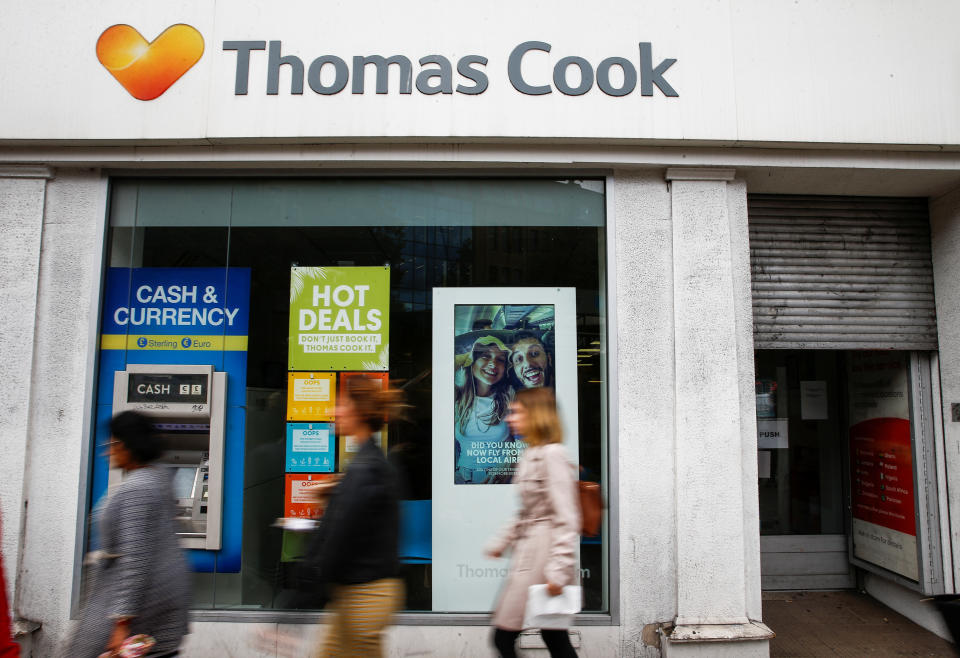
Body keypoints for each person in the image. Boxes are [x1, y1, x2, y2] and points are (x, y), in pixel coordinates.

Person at [69, 411, 190, 658]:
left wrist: (121, 623)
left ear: (128, 446)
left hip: (138, 610)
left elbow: (136, 560)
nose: (107, 451)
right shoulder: (160, 477)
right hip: (162, 603)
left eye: (112, 444)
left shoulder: (138, 488)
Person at [309, 375, 405, 657]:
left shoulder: (365, 468)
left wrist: (304, 594)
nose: (333, 412)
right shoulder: (369, 462)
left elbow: (340, 536)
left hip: (365, 597)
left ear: (357, 411)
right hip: (358, 594)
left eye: (340, 404)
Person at [485, 388, 579, 658]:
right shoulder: (532, 454)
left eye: (516, 412)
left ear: (535, 415)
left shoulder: (552, 455)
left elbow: (567, 518)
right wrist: (500, 542)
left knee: (504, 637)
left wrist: (559, 571)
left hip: (543, 559)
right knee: (554, 638)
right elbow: (526, 512)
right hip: (531, 554)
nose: (508, 419)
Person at [454, 336, 515, 484]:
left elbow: (517, 441)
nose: (493, 363)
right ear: (472, 361)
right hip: (463, 477)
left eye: (500, 359)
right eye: (485, 356)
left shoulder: (510, 395)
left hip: (501, 478)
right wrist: (467, 357)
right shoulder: (456, 397)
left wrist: (508, 466)